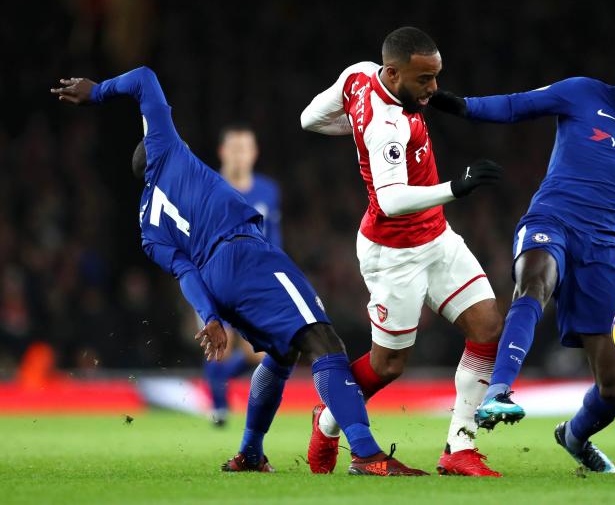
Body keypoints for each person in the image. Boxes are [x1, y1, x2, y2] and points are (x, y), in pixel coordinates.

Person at [51, 67, 426, 476]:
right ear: (158, 147)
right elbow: (143, 78)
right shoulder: (167, 148)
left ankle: (250, 452)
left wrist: (211, 317)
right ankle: (367, 454)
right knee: (323, 341)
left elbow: (185, 272)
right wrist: (98, 92)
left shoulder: (147, 229)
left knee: (282, 354)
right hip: (244, 254)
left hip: (215, 280)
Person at [430, 42, 615, 473]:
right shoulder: (581, 92)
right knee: (535, 283)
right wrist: (458, 104)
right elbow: (515, 105)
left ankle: (574, 436)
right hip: (551, 219)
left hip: (602, 249)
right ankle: (498, 392)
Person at [301, 26, 504, 477]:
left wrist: (355, 129)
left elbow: (309, 119)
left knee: (487, 325)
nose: (433, 88)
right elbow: (391, 200)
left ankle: (459, 446)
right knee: (388, 364)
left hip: (437, 238)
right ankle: (328, 420)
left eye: (435, 76)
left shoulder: (358, 75)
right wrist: (457, 186)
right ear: (392, 74)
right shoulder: (387, 126)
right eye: (424, 80)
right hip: (394, 253)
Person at [204, 124, 282, 427]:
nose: (239, 155)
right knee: (218, 345)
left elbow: (274, 237)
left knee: (257, 353)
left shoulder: (268, 191)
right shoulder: (207, 187)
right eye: (234, 149)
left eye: (245, 149)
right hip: (214, 279)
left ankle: (221, 391)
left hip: (254, 282)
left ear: (254, 153)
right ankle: (219, 411)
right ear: (223, 152)